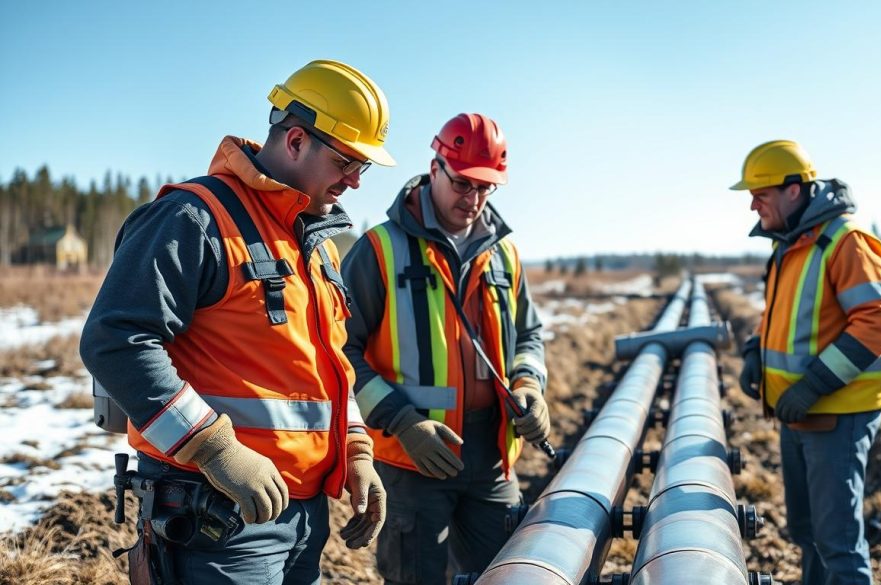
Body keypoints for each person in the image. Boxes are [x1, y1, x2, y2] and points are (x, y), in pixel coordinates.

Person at [80, 59, 393, 584]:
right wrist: (215, 447)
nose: (356, 181)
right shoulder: (195, 218)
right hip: (215, 517)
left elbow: (327, 370)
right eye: (346, 162)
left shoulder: (316, 249)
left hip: (301, 518)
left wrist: (358, 453)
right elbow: (116, 340)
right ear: (295, 141)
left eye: (364, 167)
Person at [340, 113, 549, 585]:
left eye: (486, 189)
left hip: (492, 452)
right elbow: (339, 351)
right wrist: (401, 421)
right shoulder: (380, 250)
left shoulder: (504, 254)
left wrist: (530, 385)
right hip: (413, 457)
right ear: (435, 168)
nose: (473, 200)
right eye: (462, 184)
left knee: (505, 574)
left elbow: (529, 336)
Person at [732, 140, 881, 585]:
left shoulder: (846, 243)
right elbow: (780, 314)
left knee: (838, 542)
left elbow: (876, 323)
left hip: (836, 413)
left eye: (760, 194)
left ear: (793, 190)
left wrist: (813, 385)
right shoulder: (790, 245)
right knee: (807, 532)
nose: (752, 205)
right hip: (798, 411)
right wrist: (754, 351)